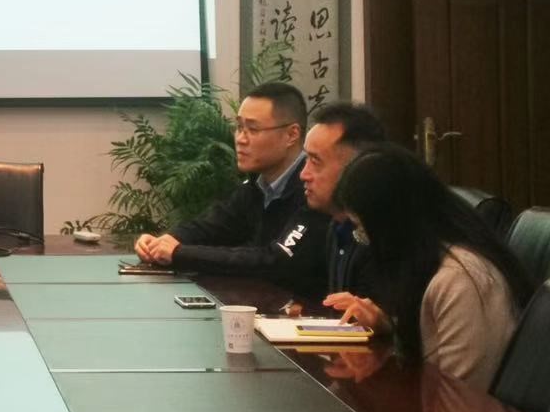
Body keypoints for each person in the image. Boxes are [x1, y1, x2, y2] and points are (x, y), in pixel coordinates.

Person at [327, 145, 532, 390]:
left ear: (391, 226)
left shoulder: (461, 281)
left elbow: (459, 398)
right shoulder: (431, 265)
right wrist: (388, 326)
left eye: (363, 230)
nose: (366, 244)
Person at [135, 81, 327, 294]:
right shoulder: (256, 184)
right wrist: (166, 241)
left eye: (252, 129)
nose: (241, 139)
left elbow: (273, 260)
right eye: (239, 128)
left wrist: (179, 253)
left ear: (291, 135)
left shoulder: (314, 189)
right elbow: (212, 226)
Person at [300, 101, 388, 300]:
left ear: (358, 167)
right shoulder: (338, 225)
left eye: (315, 161)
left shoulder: (381, 238)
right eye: (306, 159)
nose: (303, 174)